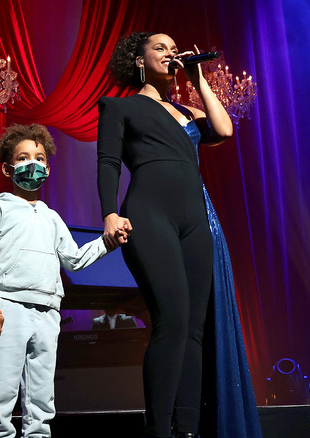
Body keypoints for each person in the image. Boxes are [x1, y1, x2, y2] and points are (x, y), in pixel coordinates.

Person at [97, 32, 262, 438]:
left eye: (174, 49)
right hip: (150, 216)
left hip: (195, 222)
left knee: (193, 328)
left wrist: (198, 77)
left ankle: (187, 429)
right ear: (139, 61)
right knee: (171, 320)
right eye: (160, 47)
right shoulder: (120, 107)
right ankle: (158, 430)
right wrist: (109, 213)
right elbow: (108, 163)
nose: (170, 52)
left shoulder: (188, 113)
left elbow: (223, 130)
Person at [0, 123, 127, 438]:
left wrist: (108, 242)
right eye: (25, 157)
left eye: (41, 158)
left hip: (48, 313)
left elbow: (74, 260)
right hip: (9, 309)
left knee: (42, 396)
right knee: (1, 389)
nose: (35, 164)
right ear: (8, 167)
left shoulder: (51, 216)